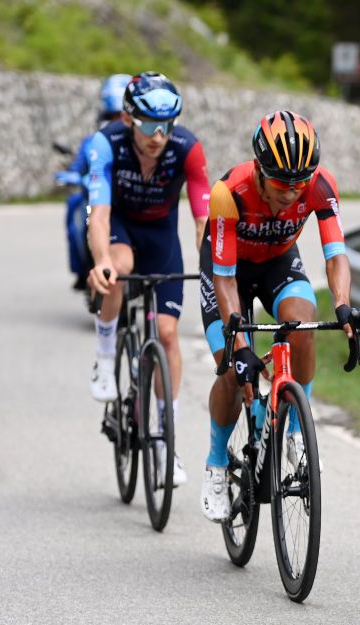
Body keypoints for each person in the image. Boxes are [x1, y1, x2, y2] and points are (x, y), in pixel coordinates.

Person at [198, 110, 360, 522]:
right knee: (229, 368)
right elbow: (223, 280)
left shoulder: (320, 186)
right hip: (229, 272)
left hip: (278, 263)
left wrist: (343, 304)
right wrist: (239, 347)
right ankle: (217, 462)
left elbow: (336, 255)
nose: (291, 192)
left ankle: (295, 430)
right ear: (259, 169)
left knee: (304, 323)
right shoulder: (230, 192)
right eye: (280, 182)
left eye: (299, 181)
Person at [85, 71, 211, 486]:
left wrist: (212, 262)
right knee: (117, 270)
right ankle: (105, 356)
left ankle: (163, 441)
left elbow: (201, 219)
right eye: (148, 125)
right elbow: (99, 214)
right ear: (127, 119)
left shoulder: (187, 150)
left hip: (160, 234)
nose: (158, 136)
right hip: (119, 225)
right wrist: (101, 260)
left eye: (166, 125)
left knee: (169, 334)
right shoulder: (106, 144)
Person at [57, 74, 132, 290]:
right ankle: (81, 269)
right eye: (113, 115)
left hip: (126, 200)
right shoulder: (92, 142)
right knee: (74, 206)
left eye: (123, 115)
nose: (118, 121)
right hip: (95, 196)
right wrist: (72, 175)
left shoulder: (142, 144)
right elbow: (77, 166)